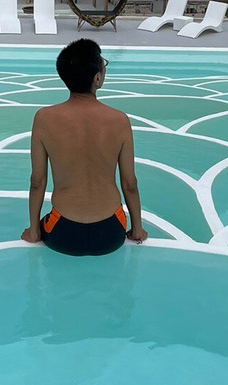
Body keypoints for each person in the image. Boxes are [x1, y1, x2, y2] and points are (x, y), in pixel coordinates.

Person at [21, 38, 147, 256]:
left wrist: (34, 231)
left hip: (63, 233)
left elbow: (37, 182)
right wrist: (137, 229)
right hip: (111, 232)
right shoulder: (119, 120)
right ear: (97, 78)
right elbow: (130, 184)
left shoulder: (44, 118)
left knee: (48, 222)